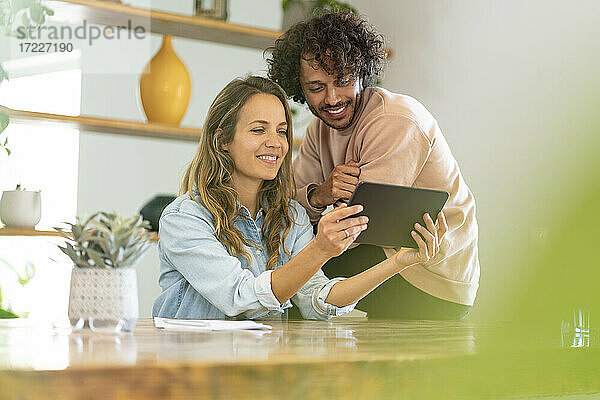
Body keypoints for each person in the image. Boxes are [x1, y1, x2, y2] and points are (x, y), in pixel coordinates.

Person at [152, 76, 446, 320]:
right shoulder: (185, 218)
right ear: (222, 140)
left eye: (282, 131)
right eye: (258, 130)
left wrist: (400, 262)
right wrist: (320, 248)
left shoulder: (291, 217)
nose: (275, 143)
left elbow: (317, 300)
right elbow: (239, 297)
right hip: (193, 371)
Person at [266, 11, 479, 319]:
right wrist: (320, 195)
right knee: (279, 253)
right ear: (299, 87)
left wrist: (313, 218)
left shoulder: (395, 119)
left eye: (342, 80)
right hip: (381, 263)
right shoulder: (318, 131)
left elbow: (359, 228)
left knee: (285, 271)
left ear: (361, 72)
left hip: (428, 278)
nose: (332, 98)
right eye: (316, 87)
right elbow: (289, 211)